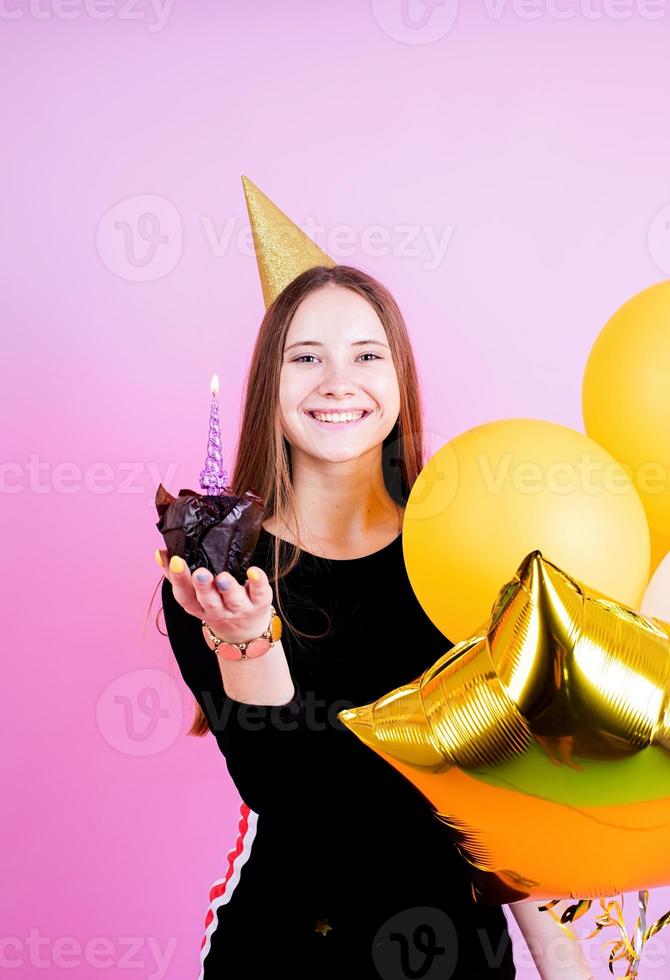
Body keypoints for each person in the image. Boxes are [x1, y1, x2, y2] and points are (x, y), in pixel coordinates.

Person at [155, 263, 594, 978]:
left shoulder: (467, 546)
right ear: (271, 382)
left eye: (366, 354)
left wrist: (561, 955)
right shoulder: (216, 564)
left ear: (399, 378)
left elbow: (506, 779)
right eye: (306, 358)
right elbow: (288, 793)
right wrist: (247, 641)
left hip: (461, 951)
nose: (337, 381)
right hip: (286, 951)